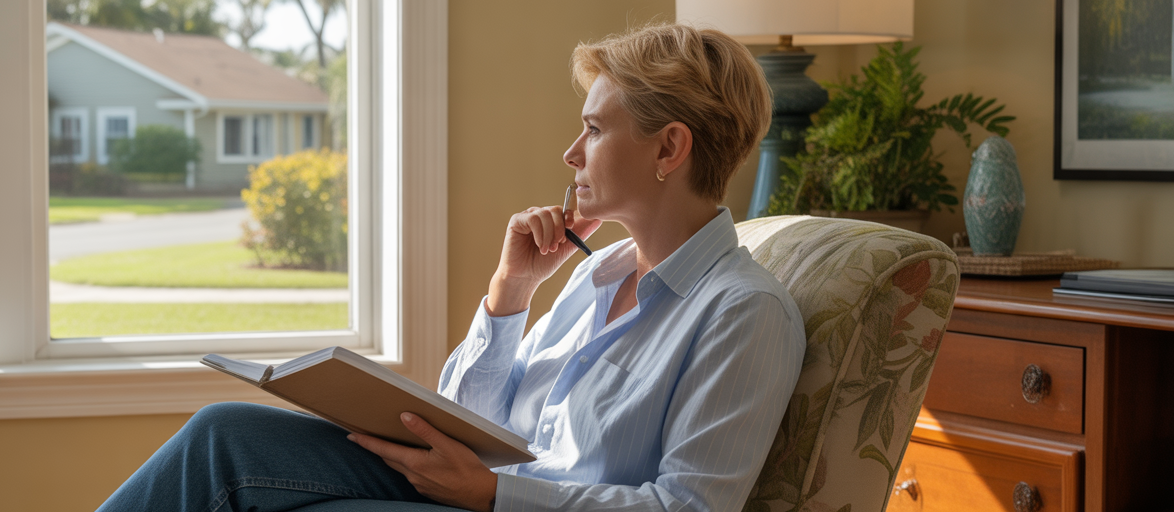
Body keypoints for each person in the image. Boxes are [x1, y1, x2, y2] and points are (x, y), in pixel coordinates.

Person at [97, 22, 805, 512]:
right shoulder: (600, 276)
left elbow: (687, 506)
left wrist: (496, 495)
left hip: (504, 508)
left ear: (668, 148)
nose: (571, 154)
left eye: (593, 129)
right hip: (477, 496)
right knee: (225, 431)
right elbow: (475, 423)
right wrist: (510, 296)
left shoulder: (744, 313)